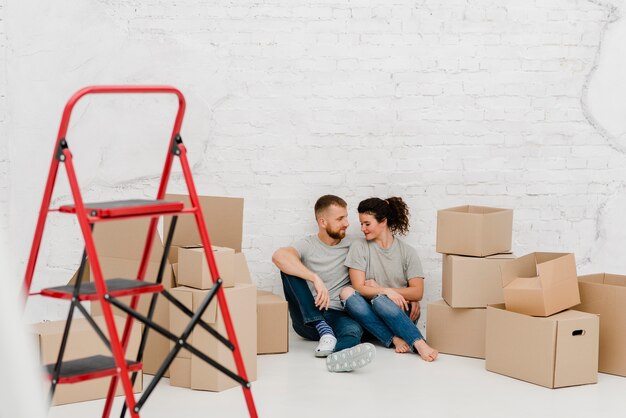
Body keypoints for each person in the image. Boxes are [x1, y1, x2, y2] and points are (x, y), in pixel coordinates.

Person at [272, 195, 375, 372]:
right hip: (308, 320)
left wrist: (397, 292)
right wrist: (314, 278)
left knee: (352, 330)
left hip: (338, 314)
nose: (347, 223)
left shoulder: (354, 244)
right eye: (340, 219)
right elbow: (279, 257)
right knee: (288, 269)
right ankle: (322, 328)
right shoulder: (308, 244)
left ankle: (339, 357)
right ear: (323, 222)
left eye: (346, 217)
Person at [340, 197, 438, 362]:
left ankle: (418, 342)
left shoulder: (407, 252)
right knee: (347, 292)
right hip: (370, 315)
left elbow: (418, 292)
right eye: (361, 224)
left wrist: (382, 291)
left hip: (399, 312)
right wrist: (386, 291)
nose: (362, 229)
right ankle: (396, 338)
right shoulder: (359, 246)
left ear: (383, 221)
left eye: (367, 223)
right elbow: (358, 287)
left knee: (380, 301)